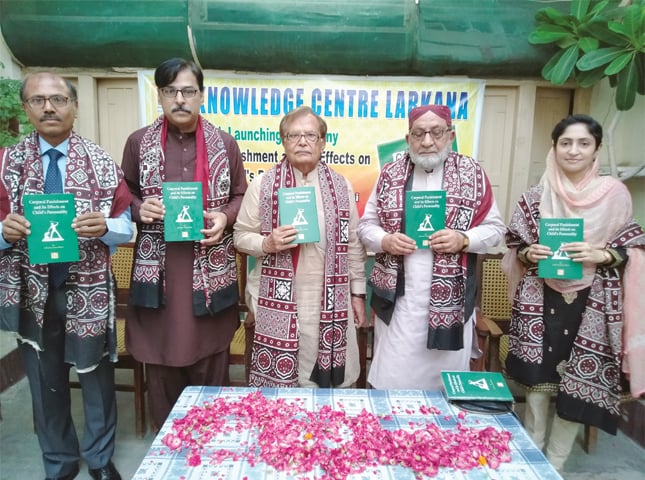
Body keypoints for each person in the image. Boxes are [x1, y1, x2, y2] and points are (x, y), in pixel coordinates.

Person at [0, 73, 133, 480]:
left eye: (58, 99)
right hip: (30, 289)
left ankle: (98, 458)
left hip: (87, 288)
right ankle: (58, 461)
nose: (49, 107)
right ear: (26, 109)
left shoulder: (100, 161)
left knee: (95, 376)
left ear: (74, 106)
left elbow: (127, 225)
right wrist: (3, 233)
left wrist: (105, 228)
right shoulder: (6, 163)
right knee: (44, 379)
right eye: (38, 100)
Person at [502, 114, 645, 470]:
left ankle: (555, 465)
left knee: (576, 388)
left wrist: (603, 254)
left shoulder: (614, 195)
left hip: (592, 304)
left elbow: (635, 245)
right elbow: (513, 241)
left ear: (596, 148)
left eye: (583, 143)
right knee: (538, 387)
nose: (573, 150)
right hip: (541, 299)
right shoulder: (535, 197)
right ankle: (531, 457)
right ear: (555, 148)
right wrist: (527, 252)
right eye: (565, 143)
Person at [120, 58, 247, 429]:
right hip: (157, 277)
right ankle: (169, 446)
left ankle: (211, 446)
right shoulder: (138, 142)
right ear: (159, 95)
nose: (180, 99)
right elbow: (122, 193)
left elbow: (240, 193)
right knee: (161, 365)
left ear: (201, 96)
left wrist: (225, 217)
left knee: (211, 366)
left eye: (188, 91)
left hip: (209, 274)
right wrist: (141, 207)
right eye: (170, 91)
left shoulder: (224, 144)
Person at [357, 104, 505, 390]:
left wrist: (463, 239)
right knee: (393, 382)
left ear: (450, 136)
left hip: (453, 304)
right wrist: (385, 240)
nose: (427, 141)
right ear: (408, 138)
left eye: (436, 132)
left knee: (445, 391)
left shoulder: (472, 172)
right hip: (400, 305)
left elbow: (496, 230)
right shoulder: (390, 173)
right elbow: (366, 226)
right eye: (419, 133)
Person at [234, 105, 367, 388]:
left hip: (332, 301)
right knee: (287, 390)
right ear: (283, 142)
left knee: (334, 389)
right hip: (280, 301)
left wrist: (358, 294)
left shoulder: (341, 186)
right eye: (294, 136)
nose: (303, 142)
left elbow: (354, 244)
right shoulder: (263, 184)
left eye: (310, 135)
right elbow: (240, 236)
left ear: (322, 141)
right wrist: (266, 243)